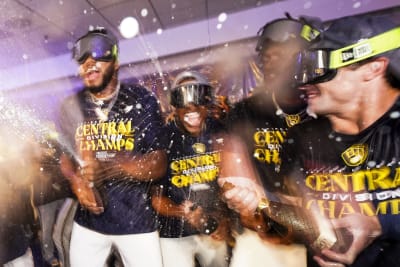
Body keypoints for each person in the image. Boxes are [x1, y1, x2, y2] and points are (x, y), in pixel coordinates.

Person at [222, 14, 400, 267]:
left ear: (373, 67)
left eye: (319, 67)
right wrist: (260, 200)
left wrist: (381, 223)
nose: (305, 79)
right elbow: (300, 211)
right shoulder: (304, 138)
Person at [217, 15, 321, 267]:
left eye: (281, 55)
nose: (269, 61)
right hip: (261, 240)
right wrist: (243, 202)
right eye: (266, 56)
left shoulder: (328, 109)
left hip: (320, 240)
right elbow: (230, 179)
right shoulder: (246, 112)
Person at [58, 27, 166, 267]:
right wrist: (76, 182)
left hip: (137, 223)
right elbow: (64, 159)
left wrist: (114, 165)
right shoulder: (71, 106)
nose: (89, 62)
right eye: (82, 58)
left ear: (115, 62)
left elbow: (159, 164)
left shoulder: (141, 100)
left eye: (98, 54)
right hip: (89, 225)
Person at [151, 70, 231, 267]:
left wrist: (222, 219)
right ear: (174, 105)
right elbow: (156, 200)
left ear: (207, 100)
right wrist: (186, 213)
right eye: (182, 97)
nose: (190, 105)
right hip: (174, 235)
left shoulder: (220, 131)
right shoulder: (163, 139)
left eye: (197, 96)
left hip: (214, 231)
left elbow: (231, 181)